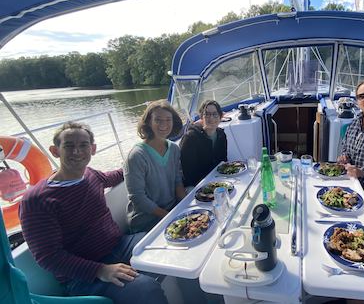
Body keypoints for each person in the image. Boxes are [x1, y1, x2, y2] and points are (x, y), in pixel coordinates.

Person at [19, 122, 167, 304]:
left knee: (164, 242)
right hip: (83, 275)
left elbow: (118, 175)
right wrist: (100, 270)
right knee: (145, 289)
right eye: (69, 146)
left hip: (120, 245)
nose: (77, 152)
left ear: (93, 149)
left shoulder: (90, 175)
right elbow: (48, 257)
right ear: (55, 151)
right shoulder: (36, 200)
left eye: (83, 145)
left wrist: (142, 158)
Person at [124, 99, 186, 233]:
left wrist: (187, 205)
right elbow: (138, 197)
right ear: (148, 122)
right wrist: (169, 217)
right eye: (158, 120)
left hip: (172, 209)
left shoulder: (174, 149)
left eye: (168, 120)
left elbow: (177, 180)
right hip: (147, 221)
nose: (164, 124)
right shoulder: (137, 156)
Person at [180, 100, 227, 188]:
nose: (211, 118)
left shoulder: (221, 135)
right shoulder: (191, 138)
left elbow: (223, 161)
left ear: (220, 116)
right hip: (194, 185)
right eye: (207, 114)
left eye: (215, 114)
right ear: (201, 116)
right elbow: (188, 173)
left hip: (215, 179)